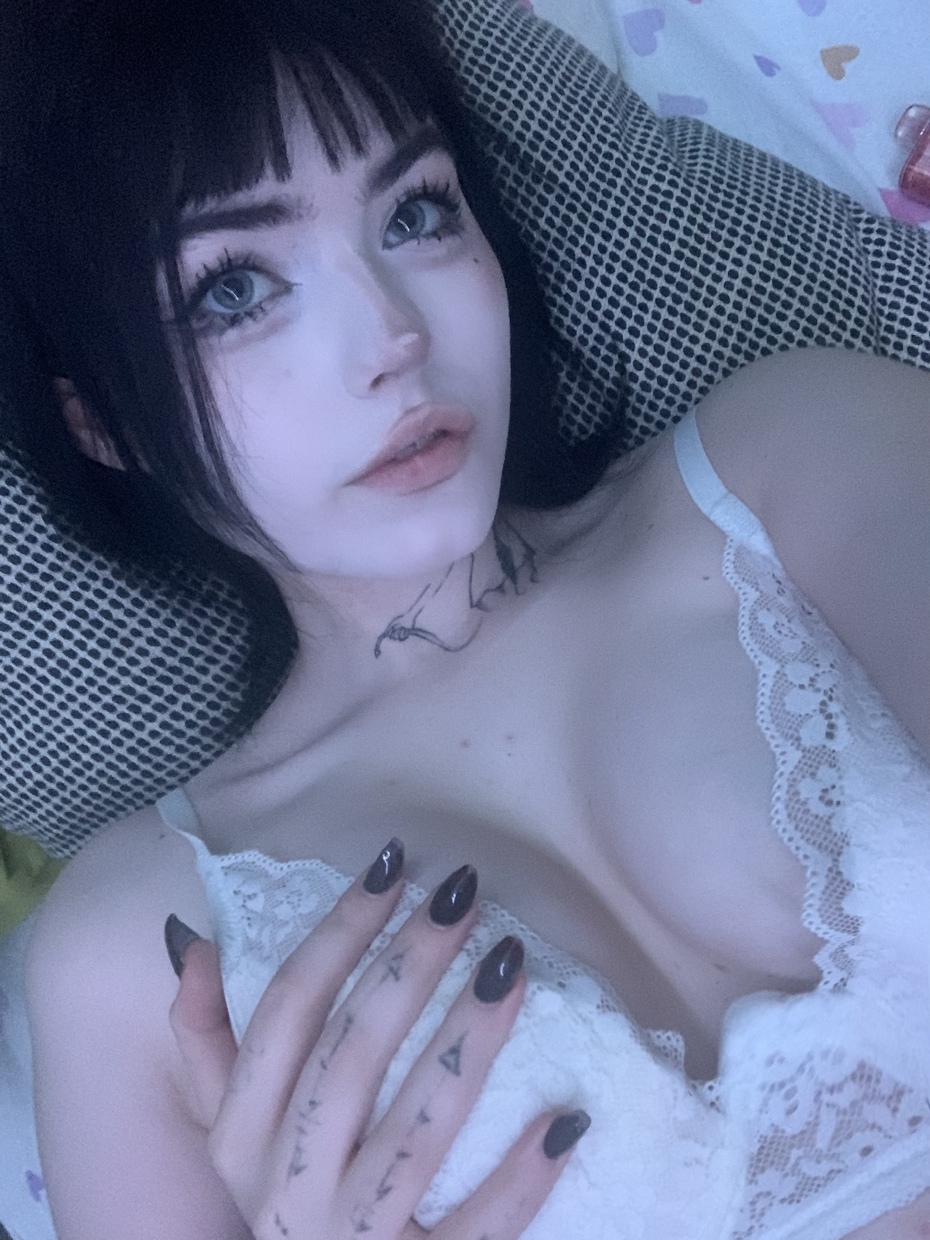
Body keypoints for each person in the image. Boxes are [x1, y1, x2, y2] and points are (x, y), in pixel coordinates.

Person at [0, 0, 928, 1236]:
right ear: (100, 422)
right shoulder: (138, 953)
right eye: (235, 289)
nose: (394, 335)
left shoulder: (798, 449)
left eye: (417, 213)